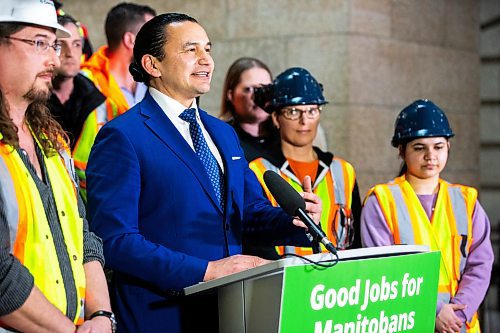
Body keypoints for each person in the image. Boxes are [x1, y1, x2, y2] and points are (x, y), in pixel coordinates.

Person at [86, 13, 322, 333]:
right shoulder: (123, 136)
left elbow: (248, 212)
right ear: (153, 65)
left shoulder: (222, 133)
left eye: (208, 49)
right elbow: (115, 241)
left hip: (232, 312)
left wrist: (296, 219)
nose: (206, 60)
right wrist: (206, 270)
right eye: (190, 49)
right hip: (161, 316)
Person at [0, 0, 113, 332]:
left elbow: (83, 238)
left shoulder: (51, 141)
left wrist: (102, 316)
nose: (53, 59)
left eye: (54, 44)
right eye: (38, 43)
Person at [360, 99, 494, 333]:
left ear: (448, 147)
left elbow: (480, 265)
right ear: (402, 151)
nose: (430, 155)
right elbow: (384, 269)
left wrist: (457, 314)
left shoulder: (466, 201)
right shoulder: (381, 202)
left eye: (438, 146)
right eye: (419, 147)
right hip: (408, 321)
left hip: (459, 325)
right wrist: (433, 310)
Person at [248, 67, 362, 259]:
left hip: (339, 282)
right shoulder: (258, 170)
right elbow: (256, 239)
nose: (304, 121)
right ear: (276, 118)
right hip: (285, 280)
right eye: (293, 112)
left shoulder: (343, 171)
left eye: (312, 111)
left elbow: (356, 241)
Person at [49, 14, 107, 202]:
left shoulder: (99, 99)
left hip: (91, 207)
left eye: (76, 44)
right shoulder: (32, 101)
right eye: (60, 45)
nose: (70, 53)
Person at [81, 2, 156, 117]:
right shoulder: (86, 83)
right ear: (130, 40)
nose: (159, 42)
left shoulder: (155, 77)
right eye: (152, 35)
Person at [219, 57, 280, 162]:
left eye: (266, 89)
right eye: (249, 89)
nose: (259, 96)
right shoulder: (222, 138)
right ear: (231, 95)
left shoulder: (287, 133)